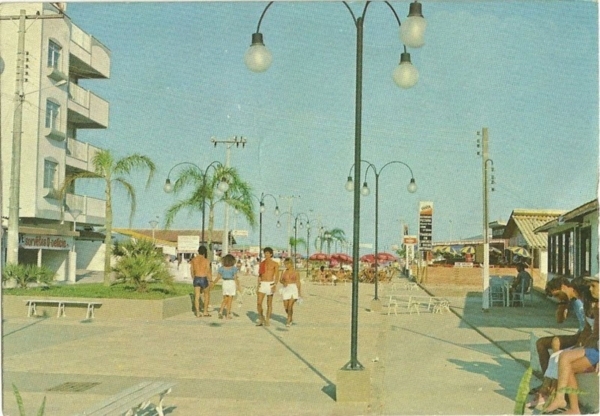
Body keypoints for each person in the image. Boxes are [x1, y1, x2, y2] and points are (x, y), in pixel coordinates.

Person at [528, 277, 590, 408]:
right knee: (541, 343)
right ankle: (548, 382)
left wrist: (581, 341)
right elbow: (560, 320)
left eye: (557, 295)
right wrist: (562, 303)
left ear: (563, 286)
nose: (557, 298)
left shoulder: (582, 299)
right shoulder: (571, 300)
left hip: (586, 336)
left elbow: (589, 325)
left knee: (557, 346)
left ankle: (553, 386)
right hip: (580, 333)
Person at [543, 275, 599, 415]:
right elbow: (591, 330)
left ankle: (561, 399)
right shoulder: (594, 305)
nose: (590, 289)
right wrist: (582, 345)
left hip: (597, 349)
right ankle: (568, 404)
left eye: (593, 286)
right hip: (594, 346)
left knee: (565, 358)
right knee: (566, 362)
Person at [256, 247, 280, 326]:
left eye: (267, 253)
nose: (266, 254)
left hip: (270, 284)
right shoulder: (262, 263)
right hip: (262, 283)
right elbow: (260, 275)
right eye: (265, 253)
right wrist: (258, 285)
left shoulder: (275, 264)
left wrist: (275, 285)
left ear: (271, 254)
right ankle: (261, 318)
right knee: (259, 303)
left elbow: (277, 275)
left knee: (269, 303)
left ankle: (267, 319)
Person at [214, 254, 241, 320]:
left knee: (225, 298)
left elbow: (218, 277)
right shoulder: (234, 268)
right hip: (231, 283)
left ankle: (220, 311)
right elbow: (235, 278)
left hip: (225, 283)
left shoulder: (221, 268)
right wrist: (238, 286)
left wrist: (213, 283)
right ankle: (227, 314)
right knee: (230, 300)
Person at [189, 245, 213, 318]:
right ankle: (205, 312)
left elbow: (192, 270)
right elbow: (208, 271)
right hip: (203, 278)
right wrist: (210, 280)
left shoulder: (193, 260)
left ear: (198, 251)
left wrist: (193, 278)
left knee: (197, 296)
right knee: (206, 295)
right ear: (204, 252)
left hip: (196, 277)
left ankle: (197, 313)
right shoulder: (206, 261)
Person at [280, 258, 302, 327]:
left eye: (287, 264)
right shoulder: (283, 271)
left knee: (290, 306)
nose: (286, 265)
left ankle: (288, 320)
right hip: (286, 289)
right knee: (286, 307)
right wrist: (283, 282)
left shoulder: (296, 272)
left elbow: (298, 282)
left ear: (291, 264)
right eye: (285, 264)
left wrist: (299, 292)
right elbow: (280, 280)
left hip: (293, 288)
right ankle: (291, 317)